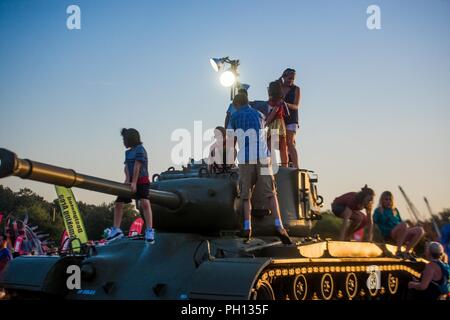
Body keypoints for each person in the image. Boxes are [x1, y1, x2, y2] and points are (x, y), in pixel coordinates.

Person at [229, 93, 292, 245]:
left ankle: (247, 227)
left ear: (236, 104)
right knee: (271, 193)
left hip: (245, 158)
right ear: (248, 102)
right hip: (263, 156)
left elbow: (232, 139)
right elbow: (264, 127)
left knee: (245, 194)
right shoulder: (259, 114)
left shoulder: (235, 116)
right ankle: (279, 226)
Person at [107, 128, 155, 243]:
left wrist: (134, 182)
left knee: (144, 203)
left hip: (142, 180)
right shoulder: (128, 152)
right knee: (118, 203)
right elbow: (127, 167)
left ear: (130, 139)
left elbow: (137, 166)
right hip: (130, 181)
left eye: (124, 139)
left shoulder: (140, 149)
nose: (123, 142)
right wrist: (128, 179)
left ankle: (149, 230)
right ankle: (116, 229)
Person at [373, 191, 425, 260]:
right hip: (389, 234)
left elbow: (400, 223)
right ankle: (398, 251)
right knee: (404, 224)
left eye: (390, 199)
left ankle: (407, 252)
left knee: (420, 230)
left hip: (400, 235)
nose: (388, 201)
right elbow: (373, 223)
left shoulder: (395, 210)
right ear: (382, 200)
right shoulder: (379, 210)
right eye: (386, 199)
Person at [279, 68, 301, 168]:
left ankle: (296, 166)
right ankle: (285, 165)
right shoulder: (279, 87)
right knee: (282, 143)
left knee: (290, 142)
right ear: (284, 77)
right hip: (281, 117)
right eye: (289, 78)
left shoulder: (296, 89)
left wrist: (286, 104)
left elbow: (296, 106)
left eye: (293, 79)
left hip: (292, 117)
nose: (291, 80)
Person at [266, 81, 289, 167]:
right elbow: (287, 114)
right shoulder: (282, 101)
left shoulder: (273, 101)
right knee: (283, 146)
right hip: (281, 123)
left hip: (274, 123)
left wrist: (266, 123)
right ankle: (285, 166)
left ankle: (271, 165)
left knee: (269, 146)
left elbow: (274, 112)